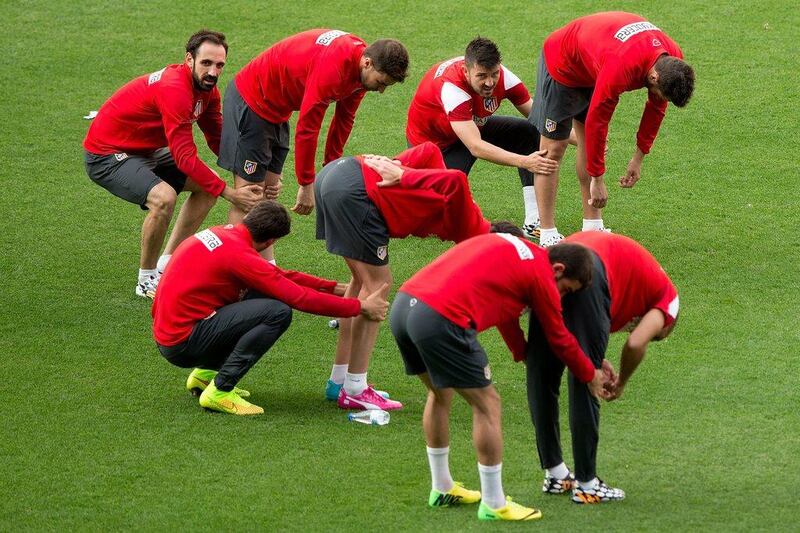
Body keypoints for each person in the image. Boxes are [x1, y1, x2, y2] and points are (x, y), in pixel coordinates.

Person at [389, 231, 611, 521]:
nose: (563, 296)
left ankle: (442, 487)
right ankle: (494, 503)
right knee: (488, 404)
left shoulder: (516, 249)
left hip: (404, 307)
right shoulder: (541, 275)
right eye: (566, 290)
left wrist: (521, 351)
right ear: (558, 269)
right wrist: (589, 374)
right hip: (440, 319)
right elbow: (558, 336)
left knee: (440, 393)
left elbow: (506, 311)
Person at [151, 200, 389, 416]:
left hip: (172, 332)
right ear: (270, 241)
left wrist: (334, 287)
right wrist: (361, 307)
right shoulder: (240, 256)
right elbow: (300, 299)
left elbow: (276, 276)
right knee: (277, 313)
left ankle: (205, 375)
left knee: (261, 293)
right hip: (182, 344)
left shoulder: (225, 234)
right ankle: (220, 391)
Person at [83, 30, 263, 298]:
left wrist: (253, 176)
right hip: (107, 154)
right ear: (189, 59)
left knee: (206, 184)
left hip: (148, 150)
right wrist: (230, 193)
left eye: (219, 65)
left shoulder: (207, 91)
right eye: (206, 63)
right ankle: (145, 280)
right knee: (163, 198)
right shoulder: (174, 89)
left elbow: (218, 139)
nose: (213, 72)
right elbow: (184, 156)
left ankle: (167, 264)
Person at [315, 141, 493, 411]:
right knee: (379, 285)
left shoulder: (468, 227)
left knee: (361, 282)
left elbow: (429, 151)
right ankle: (355, 388)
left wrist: (392, 166)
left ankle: (338, 381)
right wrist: (402, 175)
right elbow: (457, 179)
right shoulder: (475, 231)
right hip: (354, 192)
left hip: (337, 175)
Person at [219, 29, 409, 252]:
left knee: (268, 195)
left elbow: (344, 119)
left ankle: (266, 269)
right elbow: (308, 128)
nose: (382, 90)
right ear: (367, 63)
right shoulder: (333, 68)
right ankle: (232, 267)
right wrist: (306, 183)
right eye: (381, 82)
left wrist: (330, 169)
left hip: (278, 110)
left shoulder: (361, 70)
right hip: (252, 100)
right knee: (250, 196)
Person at [525, 231, 680, 503]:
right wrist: (621, 382)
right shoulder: (669, 302)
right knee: (587, 378)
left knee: (542, 371)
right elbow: (635, 343)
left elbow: (579, 333)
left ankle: (556, 474)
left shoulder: (639, 284)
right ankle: (587, 484)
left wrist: (597, 356)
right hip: (590, 269)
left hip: (565, 257)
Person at [528, 12, 695, 246]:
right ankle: (547, 232)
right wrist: (598, 179)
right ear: (654, 77)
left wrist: (638, 158)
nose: (659, 98)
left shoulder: (672, 60)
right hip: (564, 63)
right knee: (553, 149)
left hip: (594, 63)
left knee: (587, 141)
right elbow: (599, 121)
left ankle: (592, 226)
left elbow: (655, 110)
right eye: (660, 94)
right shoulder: (622, 65)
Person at [406, 37, 559, 239]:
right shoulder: (452, 89)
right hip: (434, 146)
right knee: (436, 215)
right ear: (465, 71)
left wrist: (584, 142)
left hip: (470, 126)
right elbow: (476, 146)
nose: (490, 82)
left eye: (494, 74)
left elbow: (539, 118)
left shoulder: (504, 78)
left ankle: (534, 219)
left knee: (529, 132)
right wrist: (525, 161)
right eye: (482, 76)